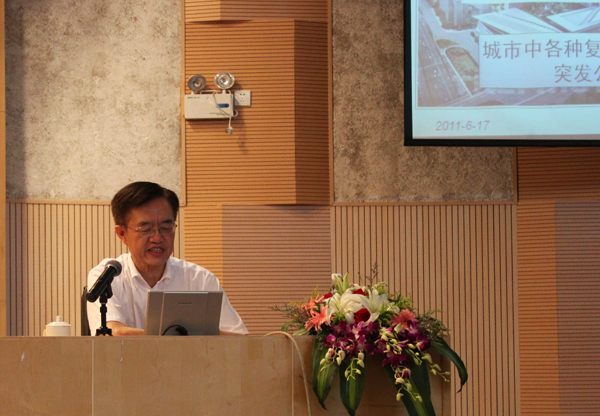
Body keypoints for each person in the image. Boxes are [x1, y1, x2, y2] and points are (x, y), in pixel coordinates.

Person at [87, 181, 248, 336]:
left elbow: (239, 339)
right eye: (145, 229)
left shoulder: (200, 280)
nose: (157, 238)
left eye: (166, 227)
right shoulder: (108, 276)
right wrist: (183, 336)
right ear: (122, 234)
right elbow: (112, 333)